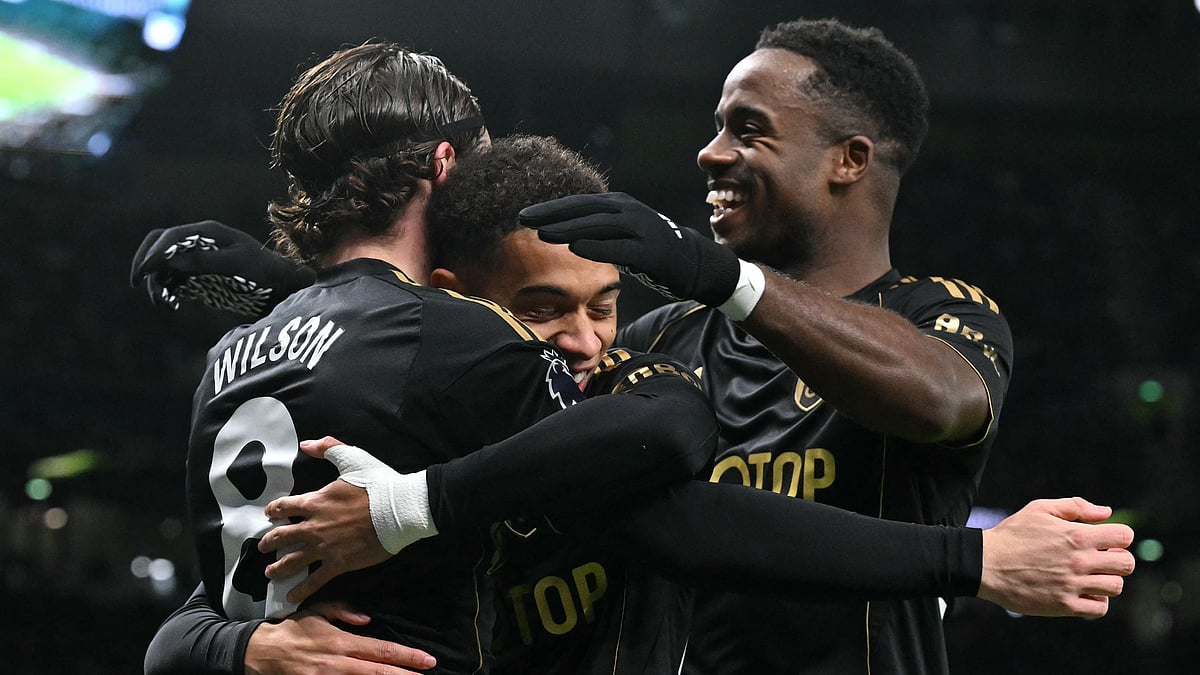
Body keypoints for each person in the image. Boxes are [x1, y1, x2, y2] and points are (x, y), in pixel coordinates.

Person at [143, 134, 1132, 675]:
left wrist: (976, 561)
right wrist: (252, 648)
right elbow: (184, 629)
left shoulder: (633, 385)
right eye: (542, 311)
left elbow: (695, 507)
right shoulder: (384, 437)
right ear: (453, 308)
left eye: (605, 306)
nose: (583, 339)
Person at [517, 16, 1029, 674]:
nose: (711, 151)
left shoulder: (941, 312)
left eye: (748, 129)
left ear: (849, 160)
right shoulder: (661, 337)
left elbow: (940, 399)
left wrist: (726, 278)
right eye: (719, 124)